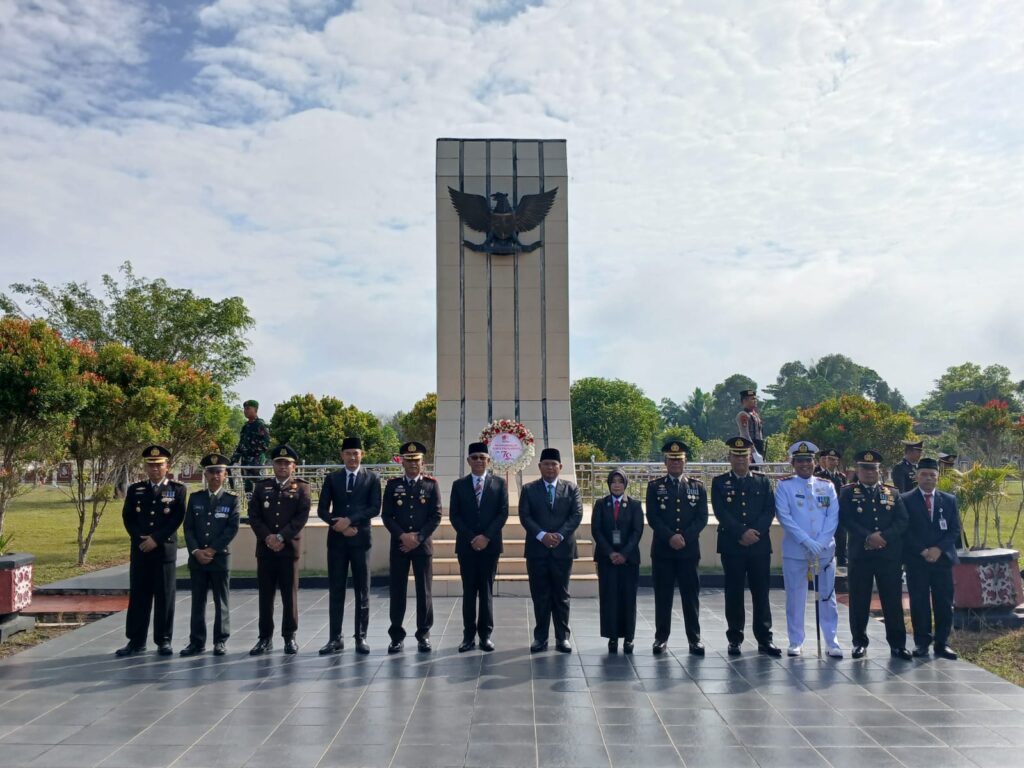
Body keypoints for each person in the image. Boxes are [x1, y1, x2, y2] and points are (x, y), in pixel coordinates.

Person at [839, 449, 911, 660]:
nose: (869, 473)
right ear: (858, 470)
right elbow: (846, 520)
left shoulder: (892, 493)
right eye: (865, 469)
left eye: (873, 469)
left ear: (880, 471)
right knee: (859, 600)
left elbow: (902, 521)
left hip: (888, 556)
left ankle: (898, 644)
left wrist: (884, 537)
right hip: (860, 555)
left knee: (892, 600)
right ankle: (859, 642)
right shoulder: (848, 492)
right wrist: (869, 537)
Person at [711, 437, 780, 656]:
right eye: (736, 455)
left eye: (744, 455)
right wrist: (741, 532)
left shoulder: (762, 482)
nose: (740, 459)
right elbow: (721, 512)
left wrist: (754, 533)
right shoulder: (720, 482)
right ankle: (735, 638)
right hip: (733, 545)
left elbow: (769, 511)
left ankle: (764, 638)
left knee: (761, 593)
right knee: (734, 593)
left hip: (758, 545)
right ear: (729, 458)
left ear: (750, 457)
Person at [116, 445, 186, 657]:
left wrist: (155, 539)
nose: (154, 469)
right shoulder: (135, 489)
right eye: (150, 465)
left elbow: (176, 518)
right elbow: (128, 517)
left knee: (165, 596)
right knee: (139, 596)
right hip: (140, 550)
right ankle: (136, 641)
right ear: (145, 467)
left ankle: (163, 640)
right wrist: (141, 539)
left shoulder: (178, 490)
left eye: (159, 465)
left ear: (167, 466)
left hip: (163, 550)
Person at [774, 441, 842, 657]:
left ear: (815, 462)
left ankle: (832, 641)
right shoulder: (785, 486)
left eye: (808, 460)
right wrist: (806, 541)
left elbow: (833, 517)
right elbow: (784, 517)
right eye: (800, 461)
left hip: (825, 551)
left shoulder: (827, 486)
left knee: (827, 597)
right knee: (795, 596)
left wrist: (821, 543)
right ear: (793, 463)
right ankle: (796, 640)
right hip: (796, 551)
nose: (805, 465)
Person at [317, 437, 380, 655]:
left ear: (362, 454)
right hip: (337, 541)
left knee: (362, 590)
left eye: (356, 453)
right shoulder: (332, 478)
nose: (352, 457)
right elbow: (322, 510)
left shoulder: (372, 478)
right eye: (348, 453)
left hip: (360, 540)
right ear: (342, 455)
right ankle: (335, 638)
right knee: (336, 589)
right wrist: (339, 525)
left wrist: (350, 521)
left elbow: (374, 508)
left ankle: (360, 637)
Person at [646, 440, 708, 655]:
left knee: (690, 597)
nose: (675, 463)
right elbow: (653, 517)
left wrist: (684, 537)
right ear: (665, 462)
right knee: (663, 597)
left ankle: (695, 639)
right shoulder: (655, 486)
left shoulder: (696, 486)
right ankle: (661, 638)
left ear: (685, 461)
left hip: (688, 551)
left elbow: (702, 518)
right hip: (663, 551)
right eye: (671, 460)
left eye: (679, 460)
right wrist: (671, 536)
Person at [520, 447, 584, 653]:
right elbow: (525, 516)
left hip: (562, 550)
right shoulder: (529, 489)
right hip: (537, 550)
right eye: (546, 464)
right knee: (540, 595)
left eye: (553, 464)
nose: (550, 468)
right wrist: (542, 536)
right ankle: (540, 638)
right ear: (539, 466)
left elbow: (576, 514)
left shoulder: (571, 488)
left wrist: (558, 535)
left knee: (561, 595)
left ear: (560, 467)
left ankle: (562, 637)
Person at [248, 445, 310, 655]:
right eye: (278, 463)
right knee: (265, 596)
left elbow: (300, 517)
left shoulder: (302, 488)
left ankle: (289, 636)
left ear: (294, 466)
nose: (282, 467)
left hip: (288, 549)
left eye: (287, 463)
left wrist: (282, 537)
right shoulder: (261, 487)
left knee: (288, 595)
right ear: (272, 465)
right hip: (266, 549)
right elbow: (254, 516)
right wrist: (268, 537)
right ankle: (264, 638)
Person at [448, 442, 509, 653]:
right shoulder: (459, 485)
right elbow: (454, 515)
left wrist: (486, 537)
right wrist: (473, 537)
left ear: (489, 460)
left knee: (486, 591)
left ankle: (485, 635)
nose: (479, 461)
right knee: (468, 591)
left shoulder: (499, 484)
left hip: (490, 546)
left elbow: (502, 513)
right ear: (468, 461)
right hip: (467, 546)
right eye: (474, 457)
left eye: (483, 457)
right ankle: (468, 636)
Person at [382, 441, 442, 653]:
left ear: (422, 462)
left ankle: (423, 634)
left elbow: (436, 516)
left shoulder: (431, 485)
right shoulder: (392, 485)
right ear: (402, 463)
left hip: (422, 546)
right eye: (408, 461)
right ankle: (396, 636)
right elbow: (387, 516)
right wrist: (402, 536)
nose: (413, 464)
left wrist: (418, 537)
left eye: (416, 460)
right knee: (397, 591)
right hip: (400, 546)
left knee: (424, 592)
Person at [180, 452, 240, 657]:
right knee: (198, 602)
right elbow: (188, 528)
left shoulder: (232, 500)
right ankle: (196, 642)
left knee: (221, 601)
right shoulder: (196, 498)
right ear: (205, 474)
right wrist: (196, 551)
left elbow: (232, 529)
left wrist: (212, 550)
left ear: (225, 475)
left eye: (219, 472)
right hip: (198, 559)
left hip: (219, 558)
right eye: (211, 472)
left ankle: (220, 641)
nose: (215, 476)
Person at [902, 458, 961, 660]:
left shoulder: (949, 500)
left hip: (942, 559)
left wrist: (938, 549)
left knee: (944, 602)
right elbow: (905, 530)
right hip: (917, 560)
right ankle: (921, 643)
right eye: (924, 474)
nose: (928, 478)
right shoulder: (905, 499)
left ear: (937, 477)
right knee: (919, 602)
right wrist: (923, 550)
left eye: (932, 475)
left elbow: (954, 530)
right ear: (917, 476)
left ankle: (942, 643)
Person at [592, 468, 644, 654]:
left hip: (628, 560)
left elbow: (637, 532)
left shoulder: (635, 505)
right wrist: (610, 553)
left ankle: (628, 638)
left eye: (620, 481)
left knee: (628, 599)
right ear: (608, 484)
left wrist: (623, 554)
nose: (616, 485)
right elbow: (596, 530)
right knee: (609, 598)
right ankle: (612, 637)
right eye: (613, 481)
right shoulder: (601, 504)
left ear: (625, 484)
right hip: (607, 560)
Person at [814, 449, 849, 568]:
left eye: (834, 460)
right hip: (825, 513)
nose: (830, 461)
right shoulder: (819, 476)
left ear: (837, 462)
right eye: (828, 459)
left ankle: (841, 564)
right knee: (827, 539)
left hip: (839, 513)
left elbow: (844, 495)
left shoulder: (841, 477)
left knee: (841, 539)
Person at [230, 399, 271, 494]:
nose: (245, 411)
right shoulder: (245, 427)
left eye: (248, 408)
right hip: (245, 462)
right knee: (248, 489)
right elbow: (241, 444)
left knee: (259, 488)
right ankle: (250, 507)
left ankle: (261, 508)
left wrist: (253, 451)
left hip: (256, 462)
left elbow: (266, 443)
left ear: (255, 410)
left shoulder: (260, 424)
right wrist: (234, 458)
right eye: (244, 409)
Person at [736, 388, 766, 462]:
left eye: (755, 399)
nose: (755, 401)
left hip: (759, 446)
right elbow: (745, 435)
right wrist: (754, 453)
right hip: (749, 449)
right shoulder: (743, 415)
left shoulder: (755, 415)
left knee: (759, 472)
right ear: (744, 401)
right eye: (752, 399)